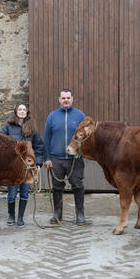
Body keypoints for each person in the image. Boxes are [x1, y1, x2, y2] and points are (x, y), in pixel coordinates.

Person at [43, 89, 86, 225]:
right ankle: (57, 214)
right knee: (57, 188)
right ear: (59, 100)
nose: (66, 100)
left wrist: (81, 152)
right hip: (56, 159)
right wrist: (47, 158)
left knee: (78, 186)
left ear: (72, 99)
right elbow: (46, 138)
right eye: (63, 98)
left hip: (75, 160)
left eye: (68, 98)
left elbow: (86, 137)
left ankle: (80, 214)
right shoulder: (52, 116)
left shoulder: (80, 115)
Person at [0, 103, 44, 227]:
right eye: (20, 109)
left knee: (24, 192)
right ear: (16, 111)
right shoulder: (8, 128)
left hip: (27, 168)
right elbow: (0, 143)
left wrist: (38, 162)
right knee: (12, 193)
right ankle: (11, 215)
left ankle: (20, 217)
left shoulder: (32, 129)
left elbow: (39, 147)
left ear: (27, 112)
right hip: (13, 167)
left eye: (24, 109)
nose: (22, 111)